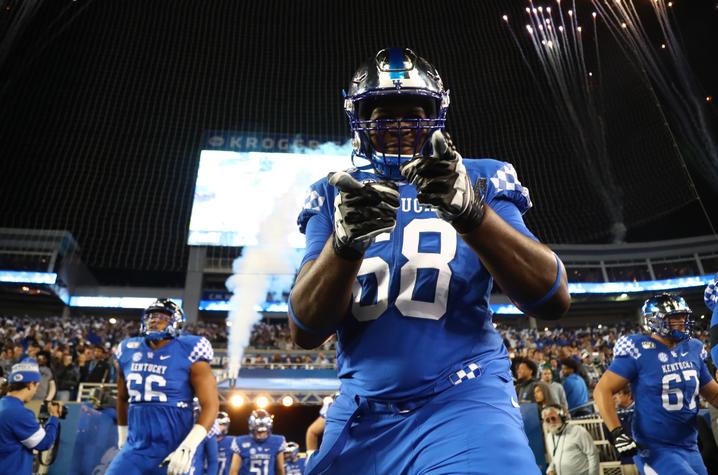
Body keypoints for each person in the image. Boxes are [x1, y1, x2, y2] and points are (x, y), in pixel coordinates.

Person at [288, 47, 570, 474]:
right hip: (363, 411)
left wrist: (473, 213)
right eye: (384, 115)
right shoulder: (333, 191)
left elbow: (550, 297)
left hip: (463, 400)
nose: (401, 125)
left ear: (437, 114)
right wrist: (343, 247)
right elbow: (305, 328)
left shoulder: (481, 175)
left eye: (415, 112)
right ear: (361, 120)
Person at [593, 293, 718, 475]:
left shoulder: (693, 347)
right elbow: (602, 390)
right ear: (655, 320)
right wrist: (617, 433)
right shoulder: (639, 349)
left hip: (689, 446)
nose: (683, 321)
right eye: (675, 317)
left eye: (683, 316)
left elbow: (713, 394)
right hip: (654, 449)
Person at [106, 298, 219, 475]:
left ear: (176, 323)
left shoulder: (190, 350)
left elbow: (211, 404)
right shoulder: (128, 349)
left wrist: (189, 446)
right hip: (135, 447)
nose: (154, 320)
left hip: (173, 447)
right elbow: (122, 398)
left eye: (163, 317)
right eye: (151, 316)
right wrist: (123, 435)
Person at [0, 361, 63, 474]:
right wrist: (54, 417)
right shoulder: (19, 413)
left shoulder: (3, 405)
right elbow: (44, 443)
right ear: (30, 384)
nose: (35, 391)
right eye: (36, 386)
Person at [541, 405, 599, 475]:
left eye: (553, 418)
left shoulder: (578, 431)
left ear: (561, 417)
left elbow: (593, 455)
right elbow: (556, 458)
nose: (551, 422)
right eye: (547, 420)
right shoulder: (550, 437)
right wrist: (551, 469)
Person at [229, 409, 286, 475]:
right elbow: (234, 471)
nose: (261, 435)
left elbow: (280, 469)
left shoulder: (277, 441)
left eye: (263, 431)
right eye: (259, 432)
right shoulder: (240, 442)